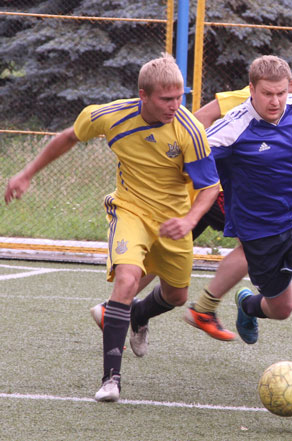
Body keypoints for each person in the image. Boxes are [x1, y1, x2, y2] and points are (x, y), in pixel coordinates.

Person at [4, 54, 220, 403]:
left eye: (179, 97)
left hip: (172, 221)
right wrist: (27, 173)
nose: (175, 105)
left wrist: (190, 220)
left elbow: (210, 186)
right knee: (127, 278)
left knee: (177, 296)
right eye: (166, 99)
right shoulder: (107, 115)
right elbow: (68, 137)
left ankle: (138, 315)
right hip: (129, 210)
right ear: (143, 95)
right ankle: (110, 380)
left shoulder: (189, 129)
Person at [193, 55, 292, 392]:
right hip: (258, 232)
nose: (276, 101)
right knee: (281, 309)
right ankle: (248, 304)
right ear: (251, 89)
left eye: (281, 92)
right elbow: (193, 162)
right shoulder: (233, 127)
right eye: (268, 93)